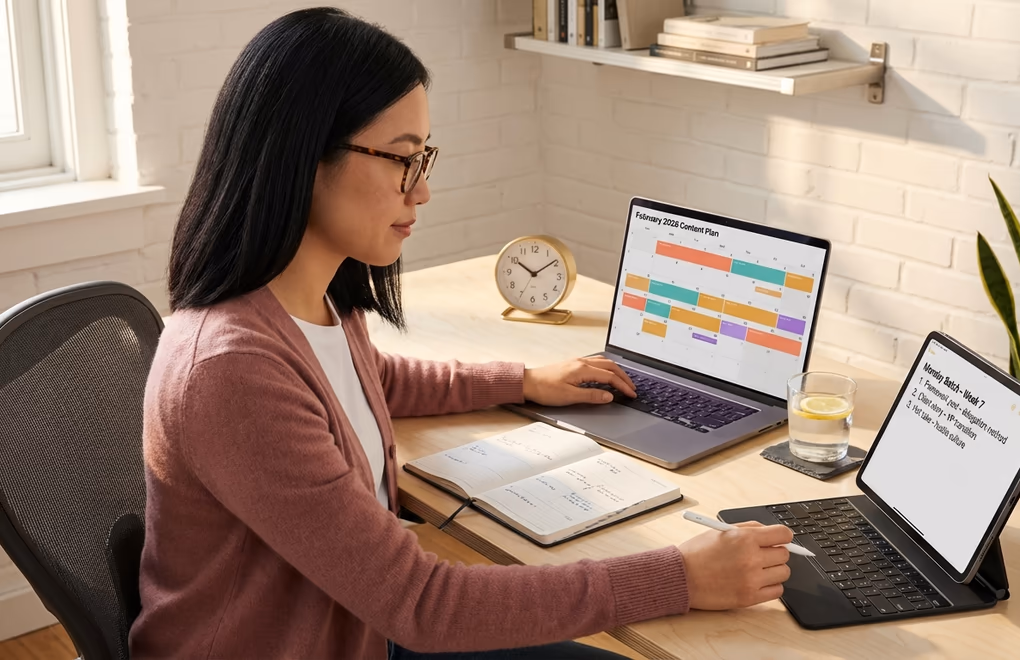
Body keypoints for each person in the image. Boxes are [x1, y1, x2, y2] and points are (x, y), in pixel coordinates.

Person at [128, 8, 793, 660]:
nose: (421, 192)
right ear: (302, 158)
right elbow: (424, 605)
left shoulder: (317, 301)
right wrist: (679, 576)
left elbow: (373, 383)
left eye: (424, 158)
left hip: (350, 627)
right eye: (401, 160)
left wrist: (526, 381)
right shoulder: (230, 370)